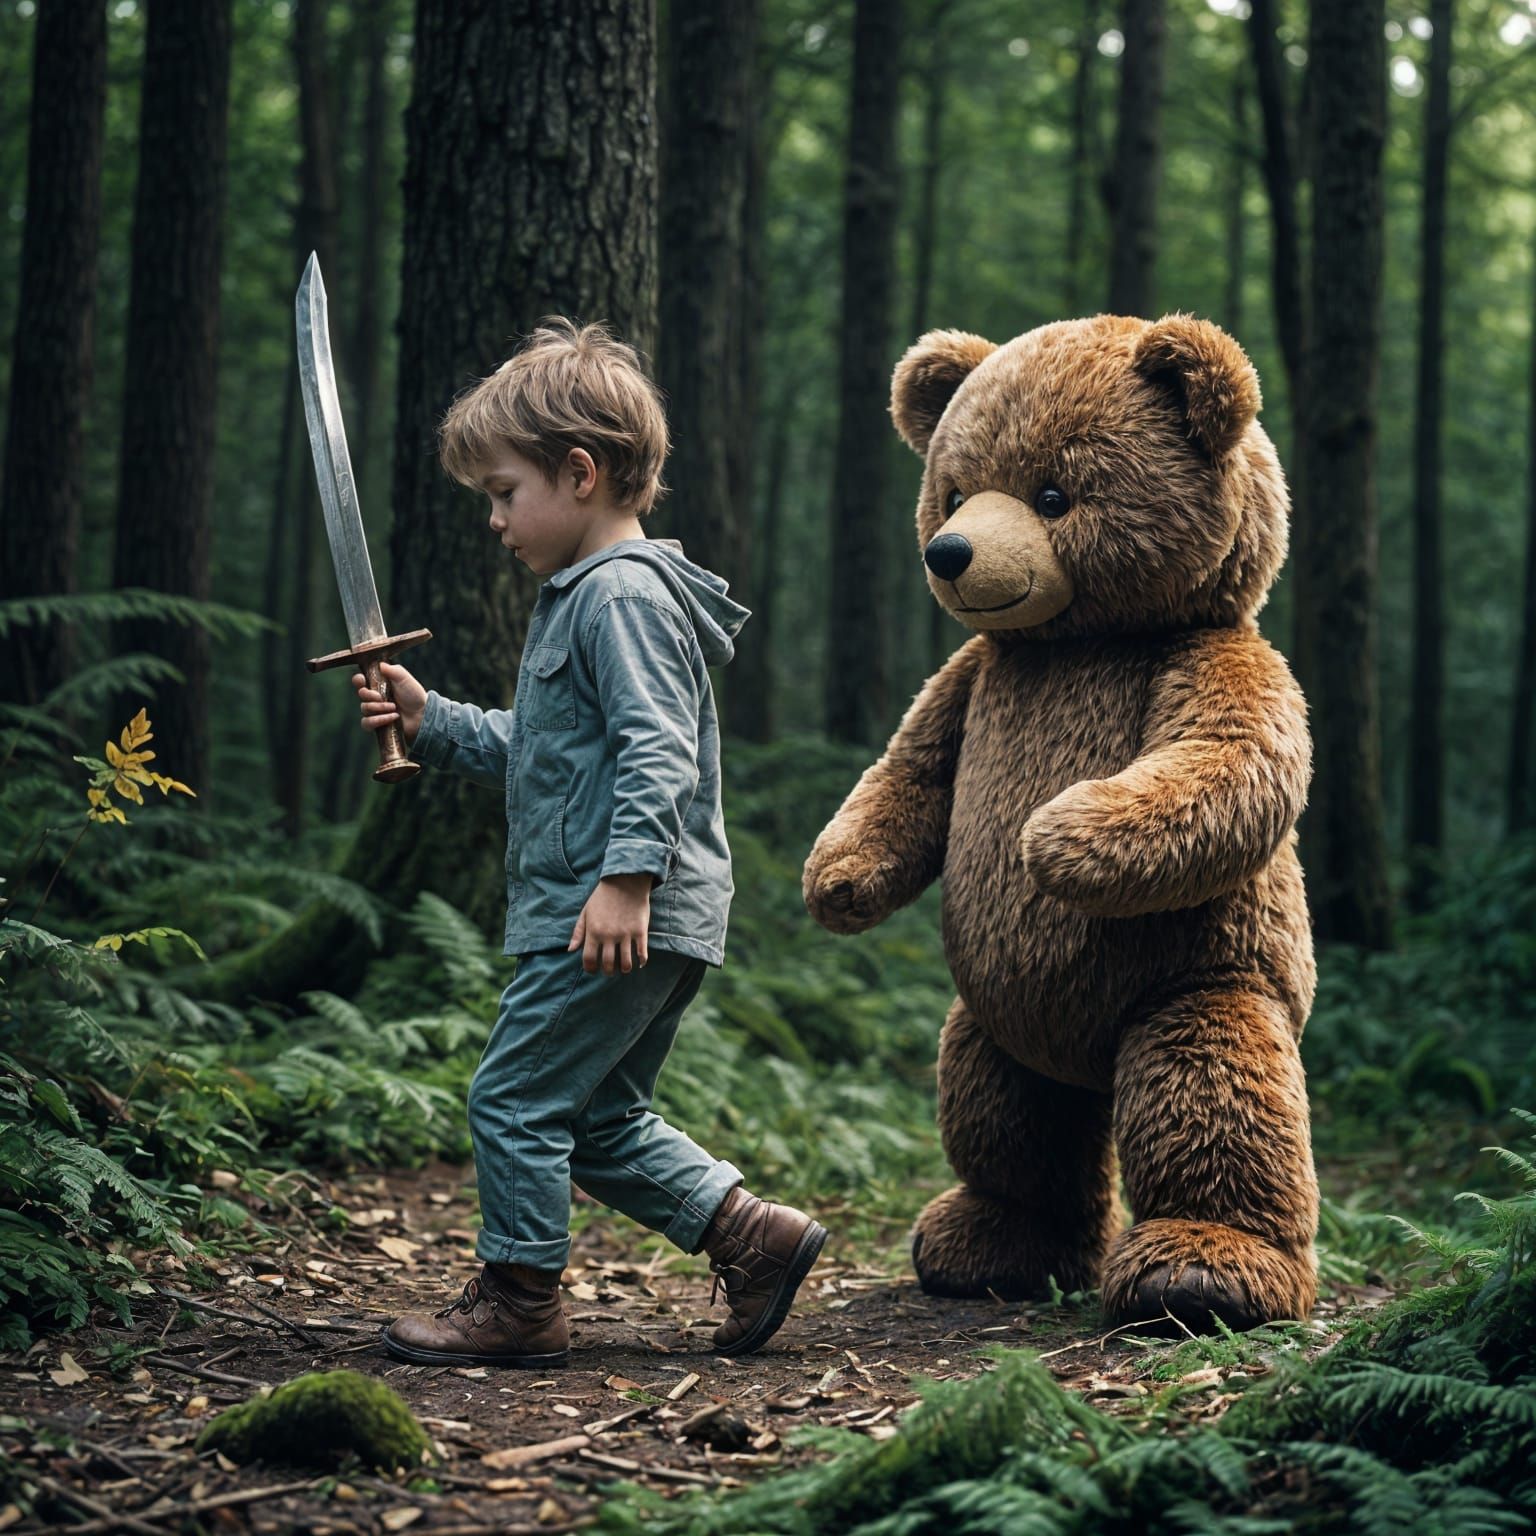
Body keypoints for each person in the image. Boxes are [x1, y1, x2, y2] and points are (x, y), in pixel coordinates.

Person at [353, 318, 826, 1367]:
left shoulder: (618, 595)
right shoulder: (597, 597)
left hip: (614, 908)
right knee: (599, 1118)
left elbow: (660, 750)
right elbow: (556, 751)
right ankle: (756, 1239)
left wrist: (623, 881)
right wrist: (434, 723)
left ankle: (520, 1303)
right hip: (643, 909)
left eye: (504, 492)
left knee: (513, 1095)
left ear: (580, 473)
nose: (492, 519)